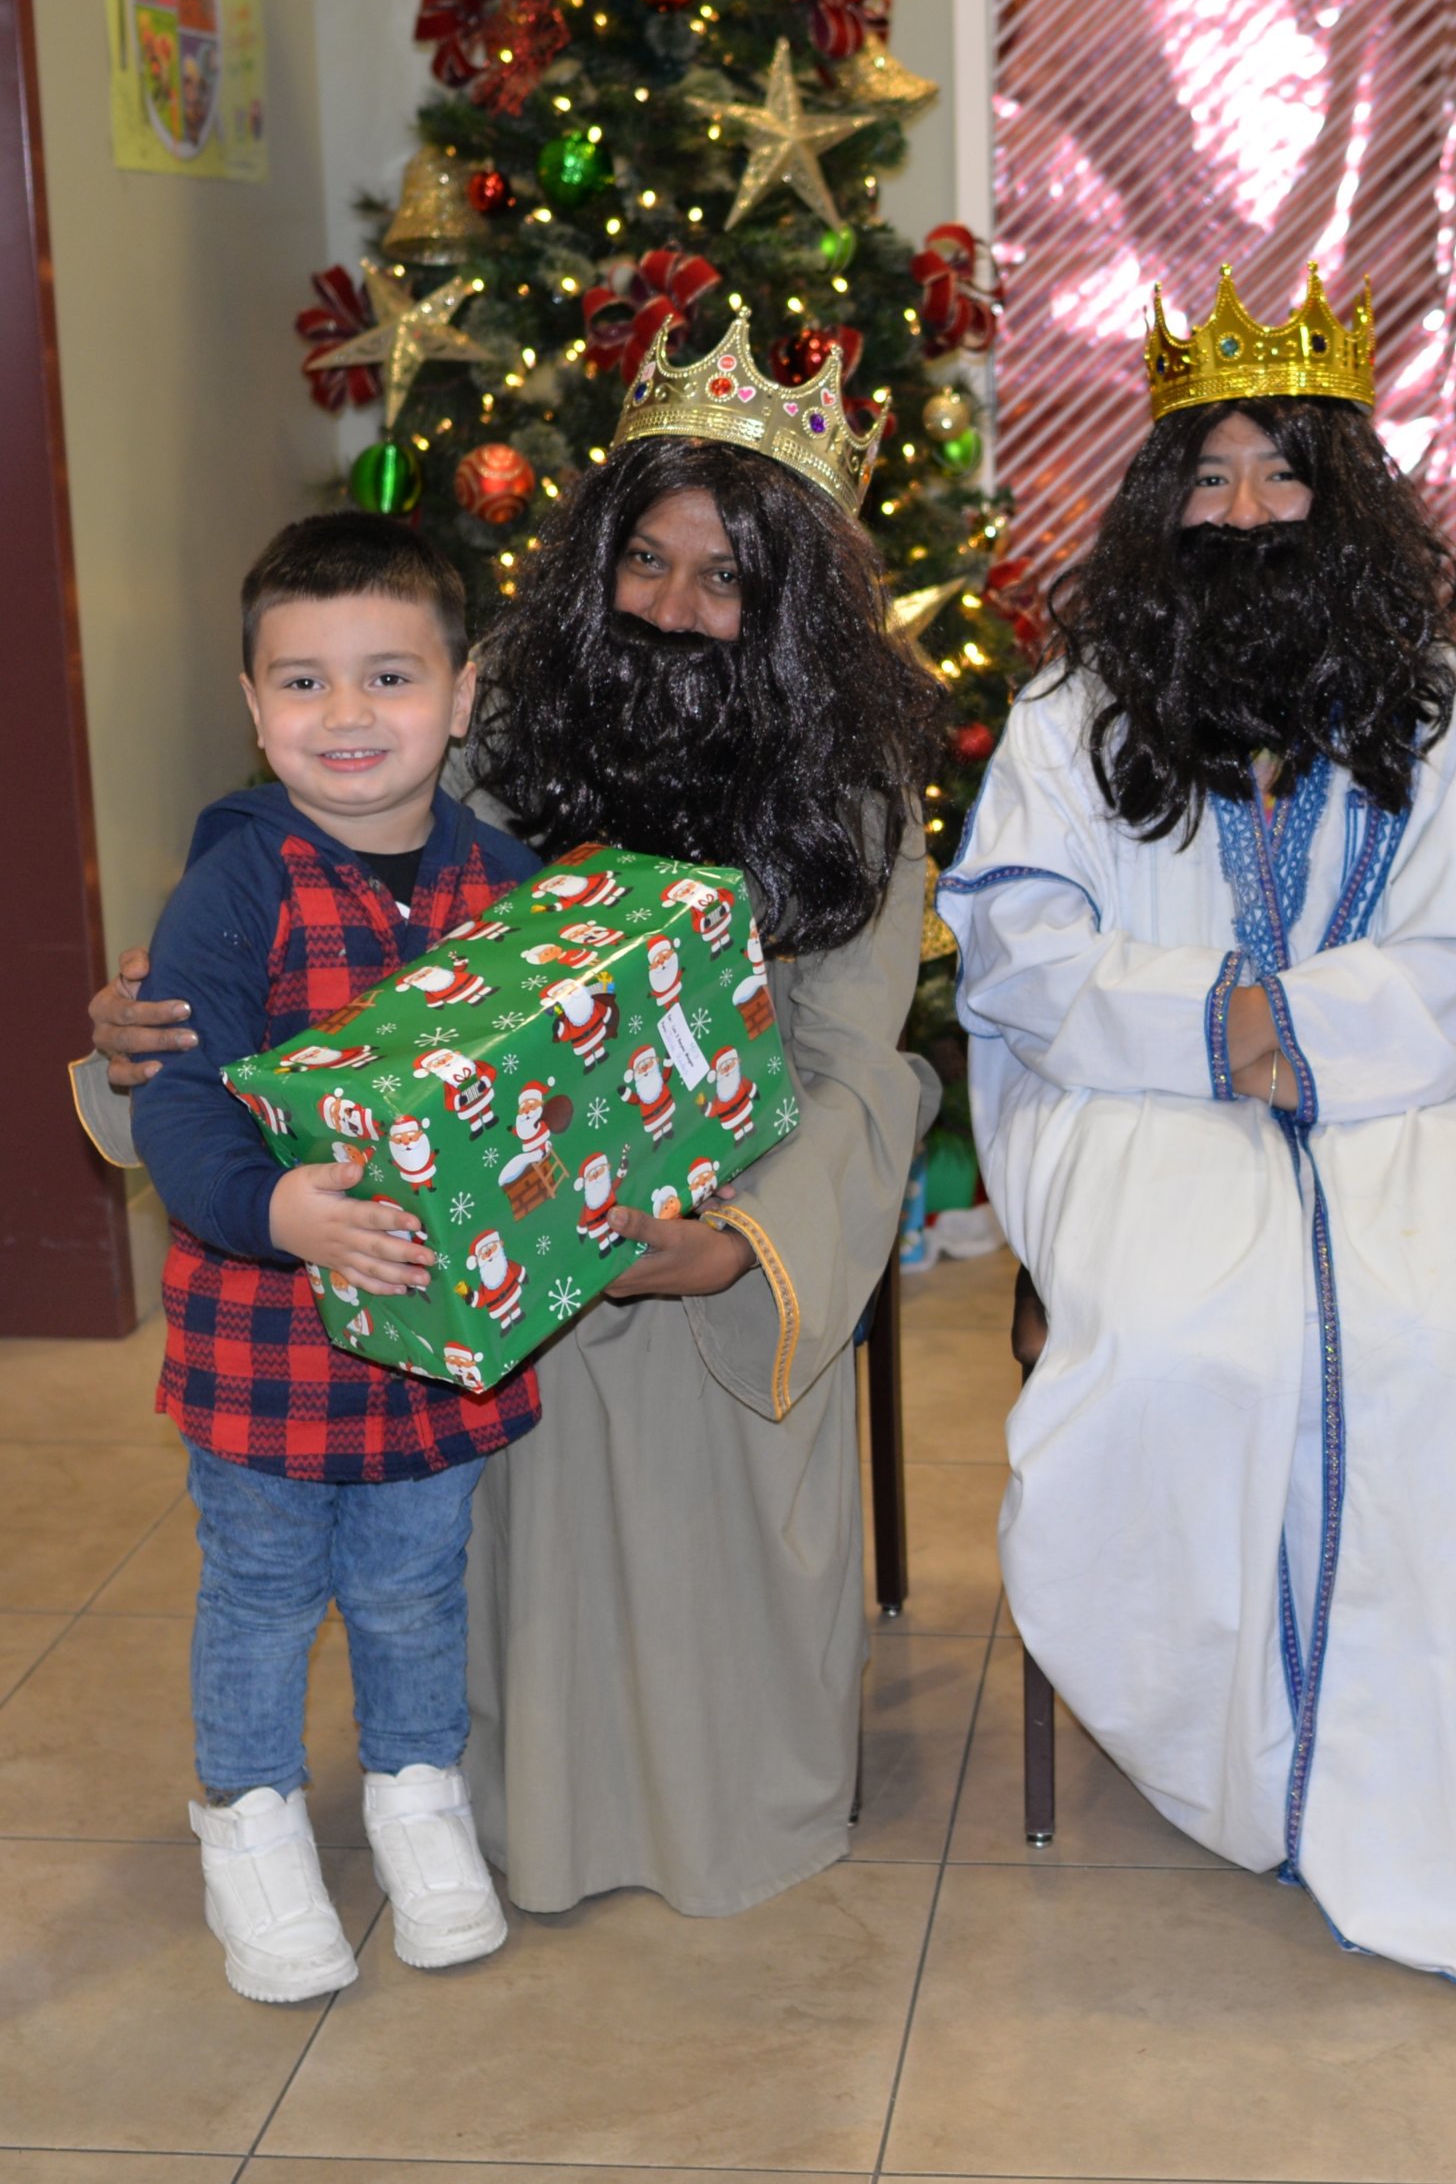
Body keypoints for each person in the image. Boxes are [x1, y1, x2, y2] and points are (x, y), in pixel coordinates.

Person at [78, 318, 942, 1916]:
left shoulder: (859, 802)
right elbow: (307, 927)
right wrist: (149, 1032)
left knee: (705, 1565)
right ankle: (466, 1811)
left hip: (702, 1269)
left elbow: (851, 1065)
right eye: (649, 562)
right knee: (445, 1584)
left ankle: (704, 1808)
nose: (678, 608)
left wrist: (724, 1243)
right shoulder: (494, 735)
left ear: (792, 606)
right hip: (486, 1262)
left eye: (727, 578)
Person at [941, 265, 1456, 1993]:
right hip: (1135, 1097)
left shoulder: (1441, 699)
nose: (1245, 513)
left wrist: (1321, 1032)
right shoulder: (1070, 709)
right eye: (1210, 478)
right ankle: (1237, 1747)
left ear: (1344, 495)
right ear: (1158, 502)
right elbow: (1023, 951)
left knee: (1442, 1331)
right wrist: (1211, 1021)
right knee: (1193, 1341)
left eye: (1283, 476)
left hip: (1409, 1096)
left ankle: (1428, 1771)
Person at [124, 514, 538, 2001]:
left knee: (418, 1584)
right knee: (262, 1584)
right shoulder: (236, 889)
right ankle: (247, 1816)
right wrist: (275, 1207)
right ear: (251, 705)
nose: (348, 716)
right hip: (269, 1342)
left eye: (388, 677)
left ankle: (417, 1794)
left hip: (437, 1346)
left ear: (465, 691)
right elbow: (174, 1095)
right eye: (302, 683)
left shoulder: (512, 887)